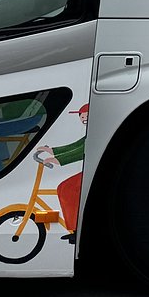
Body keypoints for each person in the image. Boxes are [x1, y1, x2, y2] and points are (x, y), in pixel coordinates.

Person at [33, 104, 88, 243]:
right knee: (64, 188)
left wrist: (58, 159)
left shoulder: (97, 132)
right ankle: (75, 229)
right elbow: (75, 146)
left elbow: (81, 150)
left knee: (67, 188)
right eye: (81, 116)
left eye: (86, 115)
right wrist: (52, 151)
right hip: (92, 169)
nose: (83, 119)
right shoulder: (91, 132)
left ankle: (78, 229)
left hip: (95, 171)